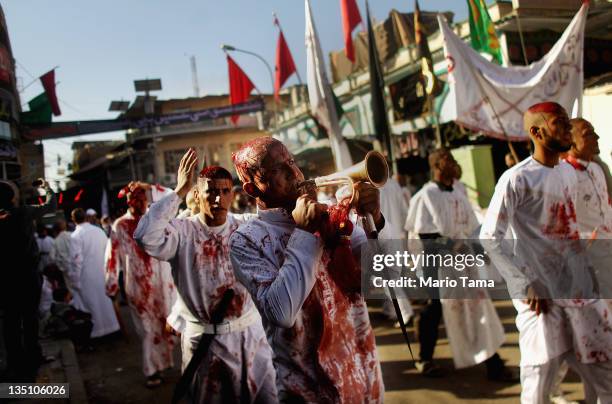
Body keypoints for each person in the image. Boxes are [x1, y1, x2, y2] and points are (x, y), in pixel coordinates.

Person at [229, 137, 384, 402]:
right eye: (278, 169)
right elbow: (281, 312)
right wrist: (305, 234)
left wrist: (375, 219)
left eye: (292, 162)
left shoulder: (333, 216)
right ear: (252, 189)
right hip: (308, 391)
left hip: (362, 376)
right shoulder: (246, 239)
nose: (294, 173)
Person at [480, 102, 612, 404]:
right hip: (541, 300)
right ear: (536, 132)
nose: (567, 128)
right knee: (539, 382)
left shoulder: (568, 173)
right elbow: (490, 237)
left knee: (604, 372)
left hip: (579, 291)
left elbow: (570, 227)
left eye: (568, 122)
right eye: (559, 123)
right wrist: (524, 282)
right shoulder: (516, 179)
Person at [134, 149, 277, 403]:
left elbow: (284, 228)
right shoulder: (181, 231)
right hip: (205, 344)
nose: (217, 199)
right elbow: (145, 236)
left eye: (224, 192)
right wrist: (178, 190)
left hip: (251, 336)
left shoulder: (245, 225)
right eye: (211, 191)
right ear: (198, 195)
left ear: (232, 195)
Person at [404, 149, 511, 381]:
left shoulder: (459, 192)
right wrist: (453, 245)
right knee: (435, 309)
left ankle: (492, 361)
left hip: (463, 264)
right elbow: (426, 238)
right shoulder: (425, 196)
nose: (454, 164)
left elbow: (472, 227)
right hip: (437, 265)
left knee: (477, 308)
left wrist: (481, 249)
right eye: (449, 160)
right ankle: (425, 358)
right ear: (438, 166)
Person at [105, 182, 176, 388]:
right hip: (138, 287)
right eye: (133, 197)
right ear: (128, 201)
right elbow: (112, 257)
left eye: (141, 197)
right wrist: (111, 285)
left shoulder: (156, 220)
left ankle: (163, 364)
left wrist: (147, 185)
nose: (137, 201)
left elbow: (173, 196)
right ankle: (151, 371)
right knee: (146, 330)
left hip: (163, 284)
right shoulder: (120, 225)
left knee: (164, 326)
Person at [0, 179, 56, 381]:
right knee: (30, 319)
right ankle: (31, 363)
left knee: (11, 324)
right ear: (13, 197)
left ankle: (15, 365)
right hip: (27, 277)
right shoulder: (24, 212)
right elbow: (51, 205)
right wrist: (47, 188)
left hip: (5, 281)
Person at [70, 208, 120, 339]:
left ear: (73, 220)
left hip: (87, 275)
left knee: (93, 303)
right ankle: (112, 327)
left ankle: (98, 331)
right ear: (86, 217)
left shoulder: (75, 236)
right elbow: (108, 253)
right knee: (105, 301)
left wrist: (74, 280)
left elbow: (77, 261)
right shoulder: (98, 231)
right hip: (102, 272)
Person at [561, 118, 611, 239]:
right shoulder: (562, 175)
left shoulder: (597, 169)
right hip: (585, 251)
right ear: (570, 141)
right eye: (588, 134)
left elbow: (606, 207)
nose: (597, 137)